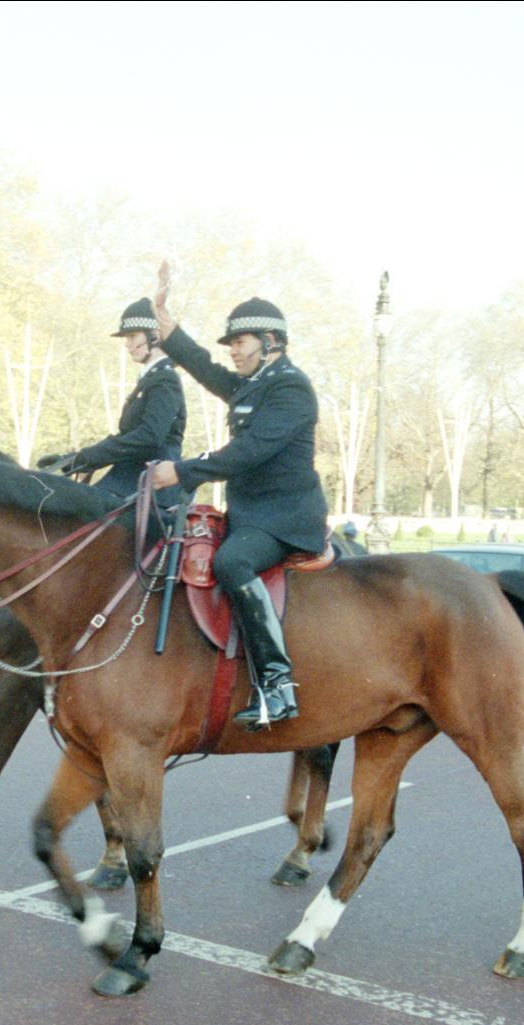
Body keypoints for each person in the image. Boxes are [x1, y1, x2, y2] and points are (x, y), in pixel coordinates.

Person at [148, 262, 328, 729]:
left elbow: (249, 452)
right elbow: (205, 369)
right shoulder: (254, 384)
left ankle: (277, 684)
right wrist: (167, 326)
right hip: (251, 514)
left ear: (270, 342)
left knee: (232, 563)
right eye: (230, 344)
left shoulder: (290, 387)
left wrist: (181, 471)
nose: (231, 351)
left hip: (284, 520)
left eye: (239, 342)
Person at [37, 298, 187, 507]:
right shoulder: (151, 379)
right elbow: (126, 437)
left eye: (132, 336)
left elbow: (149, 436)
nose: (127, 344)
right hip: (129, 476)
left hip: (152, 481)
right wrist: (75, 459)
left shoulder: (165, 380)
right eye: (126, 337)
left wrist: (86, 459)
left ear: (155, 335)